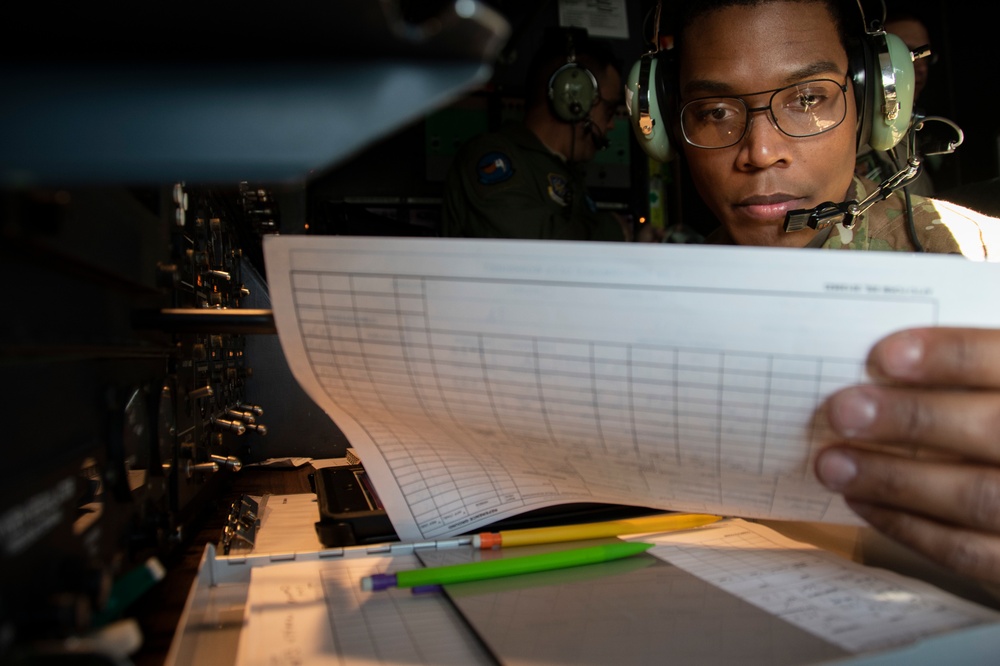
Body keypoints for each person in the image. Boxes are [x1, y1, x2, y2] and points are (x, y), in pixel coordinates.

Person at [663, 0, 1000, 585]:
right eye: (715, 110)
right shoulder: (656, 302)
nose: (761, 152)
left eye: (809, 98)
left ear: (874, 105)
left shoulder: (980, 266)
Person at [440, 29, 630, 241]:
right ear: (573, 100)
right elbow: (531, 246)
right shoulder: (492, 156)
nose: (612, 124)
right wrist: (614, 230)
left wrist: (639, 237)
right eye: (609, 111)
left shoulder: (566, 173)